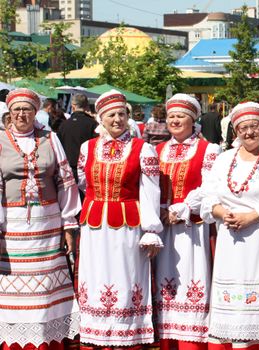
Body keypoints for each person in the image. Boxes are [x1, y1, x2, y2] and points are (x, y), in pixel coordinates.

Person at [76, 90, 164, 347]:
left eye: (122, 114)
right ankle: (99, 333)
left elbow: (150, 190)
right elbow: (84, 182)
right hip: (94, 225)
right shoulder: (88, 147)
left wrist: (151, 229)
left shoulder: (143, 148)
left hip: (127, 225)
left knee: (126, 274)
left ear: (129, 116)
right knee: (96, 274)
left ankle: (127, 335)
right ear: (101, 118)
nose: (117, 119)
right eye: (111, 115)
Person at [201, 102, 259, 350]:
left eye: (255, 126)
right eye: (244, 128)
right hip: (230, 239)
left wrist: (252, 215)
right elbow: (208, 196)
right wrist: (221, 212)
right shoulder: (223, 159)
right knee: (232, 300)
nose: (250, 132)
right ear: (235, 131)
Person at [0, 88, 81, 349]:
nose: (21, 114)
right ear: (9, 114)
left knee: (45, 289)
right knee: (15, 290)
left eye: (26, 109)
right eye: (16, 110)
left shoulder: (50, 138)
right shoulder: (0, 141)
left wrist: (69, 225)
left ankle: (49, 341)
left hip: (48, 224)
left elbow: (65, 181)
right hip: (12, 228)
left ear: (36, 112)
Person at [153, 94, 221, 350]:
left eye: (181, 116)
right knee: (165, 286)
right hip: (163, 228)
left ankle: (192, 343)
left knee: (193, 281)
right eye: (171, 116)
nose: (175, 120)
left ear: (193, 120)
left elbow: (209, 186)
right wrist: (158, 211)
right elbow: (149, 187)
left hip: (193, 229)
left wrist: (181, 208)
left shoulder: (208, 149)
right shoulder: (157, 150)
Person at [57, 93, 99, 181]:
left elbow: (58, 147)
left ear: (73, 107)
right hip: (87, 168)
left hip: (68, 169)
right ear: (87, 106)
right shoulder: (93, 124)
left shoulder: (63, 125)